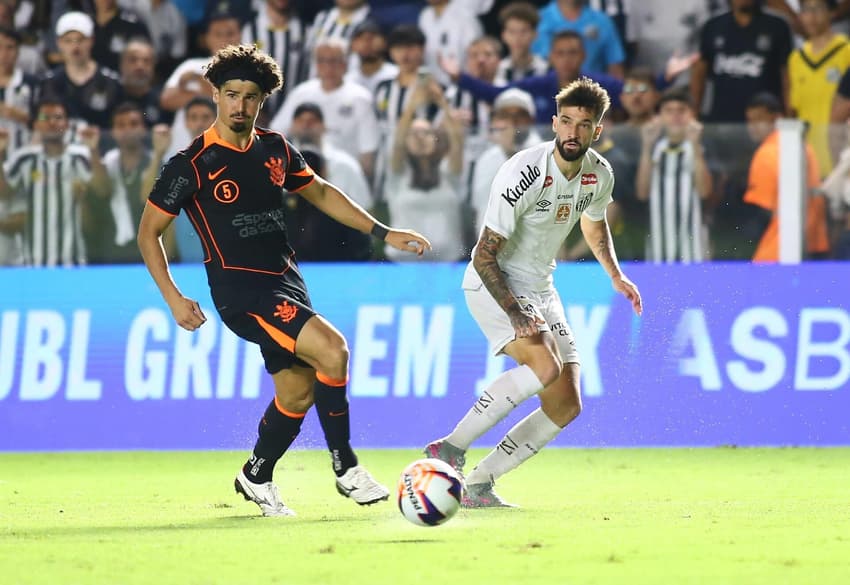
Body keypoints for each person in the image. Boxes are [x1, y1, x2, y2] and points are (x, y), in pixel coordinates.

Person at [137, 44, 431, 517]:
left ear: (262, 101)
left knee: (297, 393)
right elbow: (148, 233)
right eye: (231, 94)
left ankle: (256, 475)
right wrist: (173, 298)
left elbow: (319, 191)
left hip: (286, 280)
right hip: (241, 290)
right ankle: (347, 468)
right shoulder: (190, 164)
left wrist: (382, 232)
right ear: (215, 95)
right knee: (333, 350)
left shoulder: (275, 149)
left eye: (250, 96)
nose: (240, 106)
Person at [424, 77, 642, 507]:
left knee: (566, 404)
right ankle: (449, 448)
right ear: (554, 123)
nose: (573, 132)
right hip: (494, 282)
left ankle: (479, 485)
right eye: (566, 121)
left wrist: (614, 275)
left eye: (584, 124)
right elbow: (485, 255)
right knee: (544, 367)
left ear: (597, 130)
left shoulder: (599, 173)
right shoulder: (524, 172)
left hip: (542, 285)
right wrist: (516, 313)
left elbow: (594, 223)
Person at [0, 98, 110, 266]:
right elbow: (4, 194)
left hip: (73, 263)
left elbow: (103, 190)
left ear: (67, 124)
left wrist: (94, 150)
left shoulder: (80, 156)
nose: (51, 122)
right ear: (36, 124)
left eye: (58, 118)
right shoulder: (25, 159)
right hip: (33, 263)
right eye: (45, 118)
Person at [270, 37, 379, 181]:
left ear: (345, 63)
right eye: (322, 60)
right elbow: (275, 135)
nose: (328, 66)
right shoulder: (301, 93)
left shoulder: (360, 98)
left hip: (343, 176)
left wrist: (361, 183)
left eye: (334, 60)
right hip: (301, 173)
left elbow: (368, 150)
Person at [743, 92, 830, 262]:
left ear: (777, 119)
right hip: (813, 242)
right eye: (749, 120)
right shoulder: (803, 146)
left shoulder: (766, 153)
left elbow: (762, 212)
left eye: (759, 119)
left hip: (778, 249)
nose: (753, 126)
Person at [636, 87, 713, 263]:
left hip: (694, 249)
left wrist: (695, 146)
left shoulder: (702, 147)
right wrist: (647, 146)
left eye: (681, 110)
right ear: (660, 117)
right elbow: (642, 192)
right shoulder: (654, 149)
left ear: (692, 115)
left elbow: (704, 192)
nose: (675, 116)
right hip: (658, 248)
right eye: (669, 111)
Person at [690, 0, 793, 123]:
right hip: (721, 122)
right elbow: (698, 75)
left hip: (764, 122)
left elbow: (787, 79)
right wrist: (693, 114)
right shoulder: (713, 27)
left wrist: (789, 119)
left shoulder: (777, 26)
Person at [788, 0, 850, 178]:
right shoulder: (796, 59)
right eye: (806, 10)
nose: (812, 16)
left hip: (841, 159)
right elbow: (793, 110)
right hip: (806, 162)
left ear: (832, 12)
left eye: (818, 9)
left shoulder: (846, 52)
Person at [533, 0, 626, 78]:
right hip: (546, 92)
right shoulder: (536, 20)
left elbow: (615, 66)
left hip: (592, 92)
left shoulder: (602, 21)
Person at [495, 1, 549, 84]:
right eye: (512, 32)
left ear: (535, 34)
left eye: (523, 31)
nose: (517, 38)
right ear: (503, 35)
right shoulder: (496, 69)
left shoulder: (546, 70)